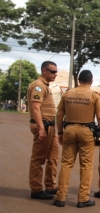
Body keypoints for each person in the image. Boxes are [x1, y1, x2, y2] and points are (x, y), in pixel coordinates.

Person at [53, 70, 100, 208]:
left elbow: (59, 115)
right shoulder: (94, 96)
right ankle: (83, 198)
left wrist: (59, 132)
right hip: (86, 132)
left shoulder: (67, 94)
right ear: (91, 81)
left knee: (66, 164)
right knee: (86, 165)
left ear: (78, 80)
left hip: (69, 130)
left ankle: (60, 197)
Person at [27, 61, 59, 200]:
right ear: (44, 71)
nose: (55, 74)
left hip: (50, 126)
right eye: (52, 71)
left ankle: (50, 185)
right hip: (43, 126)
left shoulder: (46, 86)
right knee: (39, 158)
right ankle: (36, 189)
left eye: (56, 71)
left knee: (53, 157)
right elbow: (35, 108)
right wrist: (41, 128)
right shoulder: (39, 86)